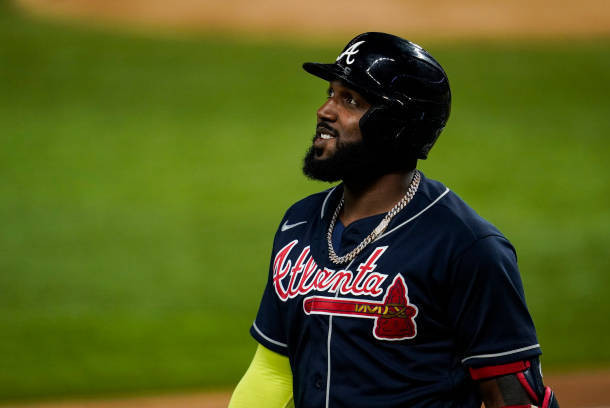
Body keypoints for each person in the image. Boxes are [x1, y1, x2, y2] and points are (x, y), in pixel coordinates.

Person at [228, 32, 559, 408]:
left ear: (397, 126)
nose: (326, 111)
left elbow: (515, 398)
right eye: (330, 94)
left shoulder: (466, 248)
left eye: (350, 100)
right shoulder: (299, 223)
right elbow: (273, 373)